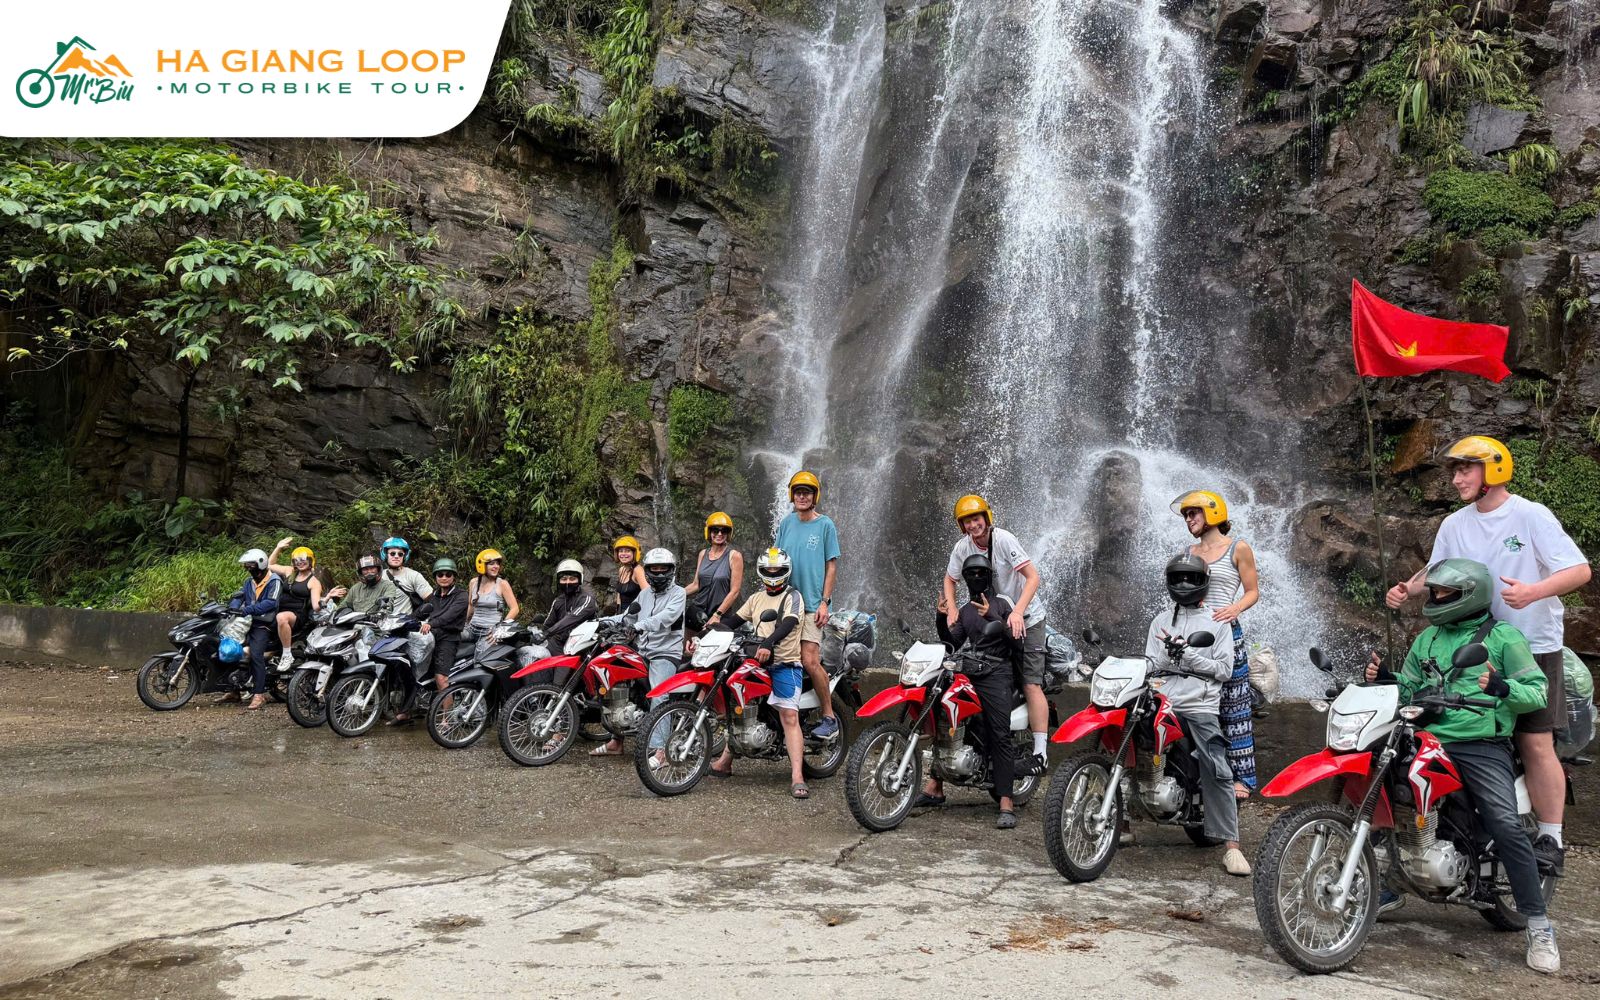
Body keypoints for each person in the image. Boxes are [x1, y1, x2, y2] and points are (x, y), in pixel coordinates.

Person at [1385, 435, 1590, 876]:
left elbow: (1579, 570)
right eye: (1455, 470)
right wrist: (1408, 587)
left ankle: (1551, 837)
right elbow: (1435, 572)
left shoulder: (1531, 516)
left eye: (1466, 469)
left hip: (1531, 644)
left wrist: (1534, 591)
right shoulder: (1455, 524)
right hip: (1469, 644)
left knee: (1535, 741)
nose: (1457, 478)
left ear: (1494, 470)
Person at [1367, 558, 1558, 974]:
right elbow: (1412, 686)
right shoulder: (1429, 637)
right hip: (1427, 734)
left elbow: (1537, 691)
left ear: (1468, 595)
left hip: (1479, 743)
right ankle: (1392, 879)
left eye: (1443, 594)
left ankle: (1540, 925)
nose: (1434, 599)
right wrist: (1386, 677)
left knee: (1506, 824)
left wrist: (1503, 687)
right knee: (1379, 790)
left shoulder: (1504, 638)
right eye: (1433, 592)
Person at [1143, 553, 1250, 876]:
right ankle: (1119, 820)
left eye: (1190, 578)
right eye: (1178, 578)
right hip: (1162, 698)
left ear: (1203, 584)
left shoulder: (1218, 622)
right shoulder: (1160, 620)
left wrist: (1188, 655)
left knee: (1215, 762)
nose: (1184, 584)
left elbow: (1223, 669)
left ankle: (1232, 845)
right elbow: (1149, 661)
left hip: (1199, 704)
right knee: (1127, 735)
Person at [916, 554, 1024, 829]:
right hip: (971, 671)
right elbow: (952, 642)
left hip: (998, 673)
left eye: (980, 572)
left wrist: (994, 616)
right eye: (970, 573)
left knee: (999, 732)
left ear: (989, 574)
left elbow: (1017, 642)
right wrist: (941, 619)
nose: (975, 577)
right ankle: (935, 786)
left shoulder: (1004, 603)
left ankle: (1006, 801)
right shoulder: (964, 610)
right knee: (946, 715)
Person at [943, 495, 1048, 775]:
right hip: (990, 615)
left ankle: (1041, 753)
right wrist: (952, 608)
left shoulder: (1004, 540)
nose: (973, 525)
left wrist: (1017, 612)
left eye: (977, 518)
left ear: (987, 518)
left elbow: (1033, 576)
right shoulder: (962, 547)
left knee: (1030, 681)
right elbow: (949, 578)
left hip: (1025, 617)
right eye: (967, 521)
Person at [1172, 490, 1261, 799]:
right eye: (1185, 515)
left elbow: (1252, 591)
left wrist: (1235, 608)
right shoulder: (1189, 551)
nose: (1188, 519)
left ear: (1212, 512)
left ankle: (1243, 780)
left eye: (1193, 513)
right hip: (1193, 634)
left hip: (1225, 635)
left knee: (1234, 708)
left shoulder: (1238, 548)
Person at [704, 547, 809, 796]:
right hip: (757, 662)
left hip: (784, 663)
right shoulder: (755, 598)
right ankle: (725, 761)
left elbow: (788, 623)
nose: (773, 574)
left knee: (789, 717)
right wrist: (708, 631)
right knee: (738, 706)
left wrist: (768, 642)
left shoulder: (793, 596)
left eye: (778, 570)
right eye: (768, 570)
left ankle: (797, 777)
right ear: (761, 572)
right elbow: (734, 622)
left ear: (786, 572)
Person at [602, 548, 686, 767]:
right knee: (613, 675)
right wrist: (602, 622)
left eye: (663, 569)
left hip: (665, 653)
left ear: (671, 570)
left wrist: (638, 627)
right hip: (642, 651)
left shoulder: (679, 593)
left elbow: (665, 618)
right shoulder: (645, 594)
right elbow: (629, 614)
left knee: (659, 696)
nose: (658, 573)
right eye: (654, 569)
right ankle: (615, 739)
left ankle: (662, 751)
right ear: (647, 570)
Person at [773, 471, 841, 740]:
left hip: (813, 605)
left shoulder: (825, 525)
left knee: (809, 660)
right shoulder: (786, 524)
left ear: (815, 496)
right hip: (787, 604)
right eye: (798, 492)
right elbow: (775, 559)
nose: (802, 496)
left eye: (807, 492)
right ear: (792, 495)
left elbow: (831, 565)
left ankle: (829, 716)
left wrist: (825, 602)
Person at [403, 557, 468, 724]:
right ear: (435, 577)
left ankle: (448, 718)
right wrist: (404, 621)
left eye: (448, 574)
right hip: (431, 637)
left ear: (454, 576)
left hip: (449, 638)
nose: (444, 577)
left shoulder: (461, 596)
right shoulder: (434, 596)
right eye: (440, 574)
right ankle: (407, 710)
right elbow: (421, 612)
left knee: (441, 678)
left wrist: (430, 624)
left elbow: (448, 617)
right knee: (409, 668)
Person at [226, 548, 283, 711]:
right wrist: (233, 608)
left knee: (256, 654)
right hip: (248, 622)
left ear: (261, 563)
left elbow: (271, 603)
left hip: (264, 624)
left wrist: (248, 610)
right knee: (230, 648)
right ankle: (234, 691)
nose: (248, 568)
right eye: (246, 565)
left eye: (251, 565)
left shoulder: (274, 581)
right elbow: (240, 596)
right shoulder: (248, 582)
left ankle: (259, 694)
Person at [267, 539, 323, 671]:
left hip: (297, 615)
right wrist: (278, 547)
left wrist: (326, 599)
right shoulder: (289, 572)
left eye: (303, 559)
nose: (300, 562)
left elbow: (316, 606)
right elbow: (270, 564)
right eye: (297, 560)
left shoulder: (314, 582)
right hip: (279, 609)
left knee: (282, 617)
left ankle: (287, 655)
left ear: (310, 561)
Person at [684, 512, 744, 634]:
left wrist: (717, 614)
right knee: (688, 651)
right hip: (696, 613)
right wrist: (674, 595)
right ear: (709, 532)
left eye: (724, 531)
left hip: (719, 616)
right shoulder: (703, 554)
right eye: (715, 530)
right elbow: (696, 584)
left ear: (728, 533)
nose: (719, 534)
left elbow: (735, 591)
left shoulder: (735, 556)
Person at [465, 548, 520, 643]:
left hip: (489, 632)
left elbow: (515, 608)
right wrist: (464, 623)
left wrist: (500, 630)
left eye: (497, 564)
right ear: (482, 565)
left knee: (481, 657)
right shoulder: (473, 582)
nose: (496, 566)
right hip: (471, 628)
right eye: (492, 563)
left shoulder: (502, 584)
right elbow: (471, 606)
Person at [328, 553, 408, 617]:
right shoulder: (355, 588)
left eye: (372, 568)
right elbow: (343, 606)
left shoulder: (388, 586)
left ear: (378, 569)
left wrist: (380, 613)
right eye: (365, 569)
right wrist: (332, 615)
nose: (369, 571)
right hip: (355, 627)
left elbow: (388, 604)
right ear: (360, 572)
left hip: (377, 628)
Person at [381, 536, 434, 612]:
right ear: (385, 554)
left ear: (405, 556)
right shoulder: (379, 576)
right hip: (380, 621)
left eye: (400, 554)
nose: (396, 556)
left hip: (404, 621)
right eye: (392, 553)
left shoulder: (413, 576)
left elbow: (431, 598)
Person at [611, 535, 644, 611]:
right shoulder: (621, 570)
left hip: (635, 615)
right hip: (622, 613)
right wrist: (618, 609)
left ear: (634, 553)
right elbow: (620, 593)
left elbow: (648, 593)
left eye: (627, 551)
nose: (623, 554)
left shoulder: (638, 570)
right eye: (621, 551)